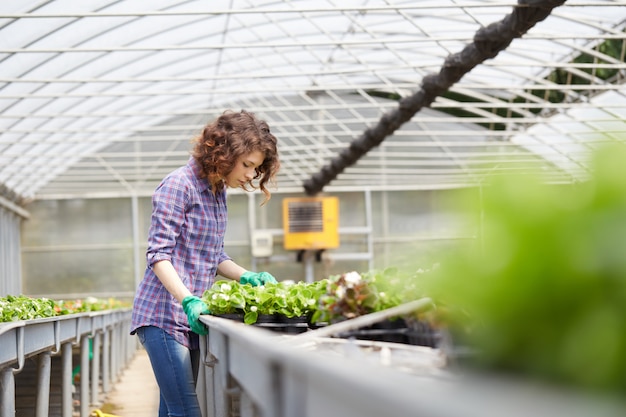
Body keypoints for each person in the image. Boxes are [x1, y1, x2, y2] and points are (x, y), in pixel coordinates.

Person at [130, 109, 280, 417]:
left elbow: (215, 256)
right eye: (248, 164)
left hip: (190, 318)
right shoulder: (178, 185)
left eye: (256, 167)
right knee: (186, 411)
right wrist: (188, 300)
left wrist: (247, 276)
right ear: (224, 153)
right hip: (163, 316)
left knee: (172, 411)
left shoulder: (217, 190)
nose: (252, 175)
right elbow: (159, 254)